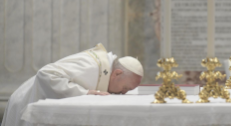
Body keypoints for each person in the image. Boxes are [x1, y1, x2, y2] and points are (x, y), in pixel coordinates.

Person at [1, 43, 143, 126]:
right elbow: (45, 73)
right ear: (117, 73)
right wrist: (84, 93)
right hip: (25, 101)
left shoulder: (104, 70)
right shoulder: (92, 66)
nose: (124, 93)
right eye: (125, 88)